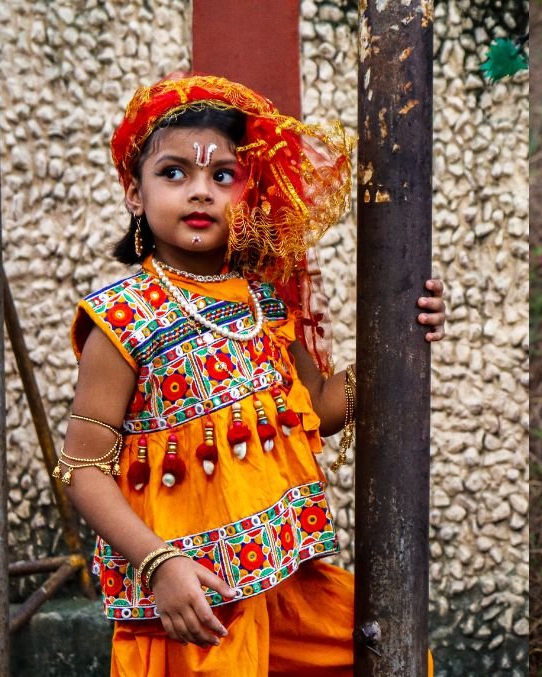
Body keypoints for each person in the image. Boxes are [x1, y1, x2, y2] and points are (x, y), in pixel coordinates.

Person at [56, 73, 445, 676]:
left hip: (285, 589)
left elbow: (318, 407)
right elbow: (83, 467)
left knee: (399, 655)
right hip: (193, 609)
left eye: (222, 176)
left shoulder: (265, 304)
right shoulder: (122, 318)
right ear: (135, 195)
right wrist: (159, 566)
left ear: (249, 193)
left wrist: (402, 337)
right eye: (174, 173)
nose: (199, 192)